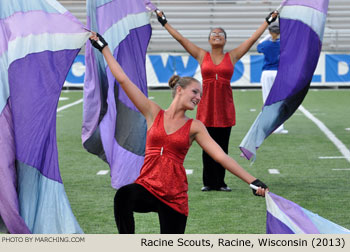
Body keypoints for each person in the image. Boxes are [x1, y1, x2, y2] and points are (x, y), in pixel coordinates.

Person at [89, 33, 268, 234]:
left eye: (200, 94)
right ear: (180, 90)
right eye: (195, 92)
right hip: (147, 187)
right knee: (123, 196)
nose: (199, 97)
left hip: (174, 197)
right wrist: (103, 47)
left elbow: (221, 157)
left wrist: (252, 181)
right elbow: (122, 79)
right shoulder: (153, 112)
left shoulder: (195, 126)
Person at [155, 9, 279, 192]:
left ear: (225, 40)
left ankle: (220, 183)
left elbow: (252, 40)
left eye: (220, 34)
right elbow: (181, 39)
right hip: (206, 108)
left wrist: (267, 22)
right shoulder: (201, 55)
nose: (217, 35)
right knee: (207, 147)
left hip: (224, 108)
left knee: (222, 146)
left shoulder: (233, 56)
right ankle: (208, 183)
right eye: (214, 34)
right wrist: (164, 22)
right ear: (209, 40)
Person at [257, 23, 288, 134]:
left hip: (266, 73)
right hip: (279, 73)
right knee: (279, 100)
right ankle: (279, 127)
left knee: (267, 99)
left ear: (270, 32)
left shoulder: (265, 44)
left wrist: (268, 36)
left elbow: (259, 45)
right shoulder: (284, 44)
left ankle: (267, 126)